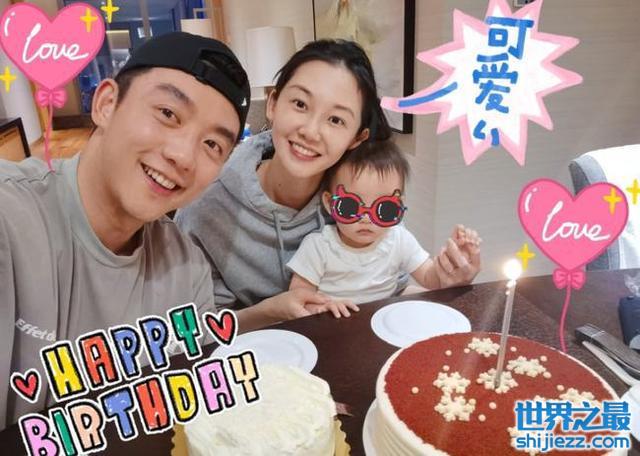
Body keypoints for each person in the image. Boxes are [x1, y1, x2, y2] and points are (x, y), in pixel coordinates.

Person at [0, 32, 251, 429]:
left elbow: (195, 408)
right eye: (168, 113)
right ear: (105, 104)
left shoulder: (186, 269)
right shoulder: (12, 219)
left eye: (212, 145)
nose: (183, 156)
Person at [175, 39, 482, 331]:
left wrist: (446, 279)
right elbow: (195, 331)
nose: (310, 131)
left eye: (336, 120)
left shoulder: (358, 192)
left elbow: (392, 283)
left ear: (357, 138)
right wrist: (270, 311)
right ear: (273, 103)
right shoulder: (206, 208)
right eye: (300, 104)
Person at [287, 140, 481, 317]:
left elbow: (429, 279)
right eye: (349, 207)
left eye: (384, 209)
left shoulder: (398, 239)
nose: (366, 218)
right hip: (334, 324)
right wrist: (320, 307)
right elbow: (298, 297)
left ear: (399, 205)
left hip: (384, 321)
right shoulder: (319, 246)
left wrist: (450, 264)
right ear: (330, 203)